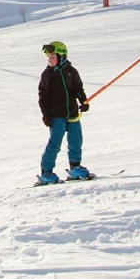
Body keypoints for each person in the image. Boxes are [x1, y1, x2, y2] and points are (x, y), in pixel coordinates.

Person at [36, 41, 91, 184]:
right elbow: (43, 97)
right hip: (56, 115)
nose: (50, 60)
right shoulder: (47, 74)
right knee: (55, 144)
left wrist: (83, 102)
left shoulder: (71, 71)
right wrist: (46, 115)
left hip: (72, 114)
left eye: (53, 57)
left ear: (62, 56)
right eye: (48, 57)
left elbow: (78, 89)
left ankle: (75, 167)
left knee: (76, 140)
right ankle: (46, 172)